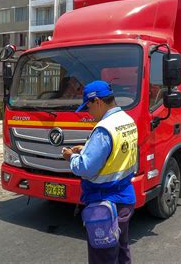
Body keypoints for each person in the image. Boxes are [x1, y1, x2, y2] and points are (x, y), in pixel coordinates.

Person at [62, 80, 137, 264]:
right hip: (125, 199)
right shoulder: (127, 121)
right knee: (121, 250)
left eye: (88, 107)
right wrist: (88, 147)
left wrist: (71, 157)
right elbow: (119, 152)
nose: (88, 113)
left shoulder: (104, 129)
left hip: (104, 205)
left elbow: (85, 168)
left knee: (102, 257)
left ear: (98, 102)